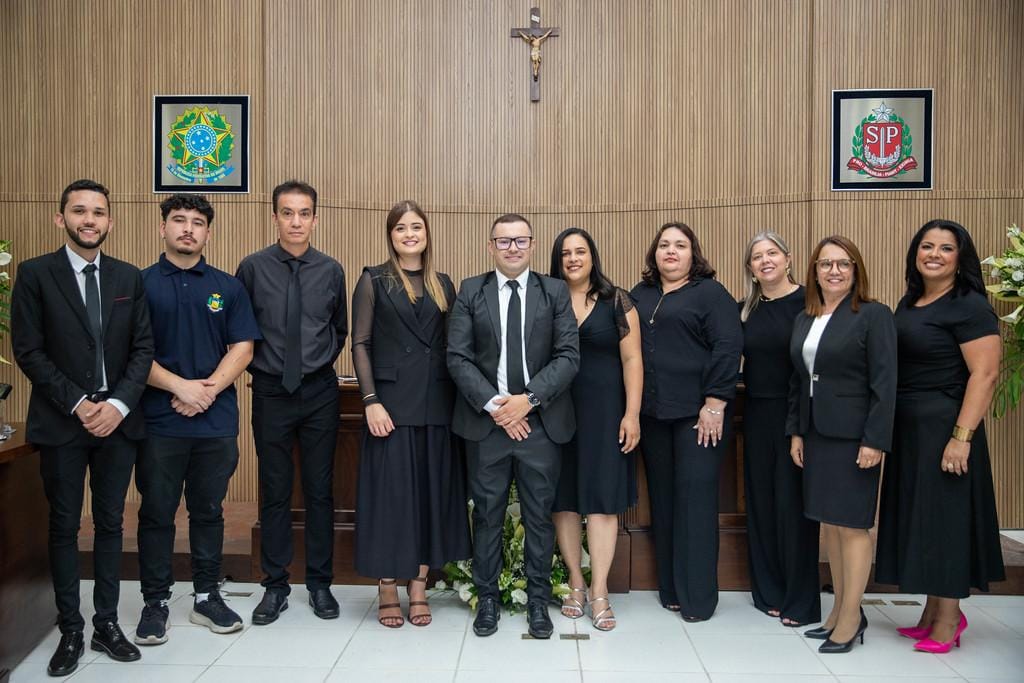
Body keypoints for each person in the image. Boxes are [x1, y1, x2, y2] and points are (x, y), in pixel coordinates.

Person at [11, 179, 153, 675]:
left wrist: (117, 404)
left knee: (111, 524)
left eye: (97, 212)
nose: (89, 220)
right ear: (61, 218)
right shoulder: (35, 274)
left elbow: (143, 349)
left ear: (110, 221)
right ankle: (70, 628)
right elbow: (28, 350)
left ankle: (106, 624)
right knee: (64, 525)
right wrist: (78, 403)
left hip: (118, 424)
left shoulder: (128, 277)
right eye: (79, 211)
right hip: (61, 423)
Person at [133, 194, 261, 645]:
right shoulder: (140, 284)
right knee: (157, 512)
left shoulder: (228, 287)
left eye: (197, 222)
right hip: (159, 421)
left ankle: (207, 596)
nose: (188, 228)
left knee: (208, 511)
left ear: (208, 232)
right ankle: (155, 602)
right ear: (163, 227)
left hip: (214, 421)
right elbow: (131, 352)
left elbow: (243, 347)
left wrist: (205, 391)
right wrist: (180, 388)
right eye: (179, 220)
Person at [447, 213, 579, 639]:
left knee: (539, 517)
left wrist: (527, 401)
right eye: (503, 241)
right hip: (487, 425)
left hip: (540, 424)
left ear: (533, 245)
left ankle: (538, 601)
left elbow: (568, 356)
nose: (512, 248)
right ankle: (486, 599)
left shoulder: (554, 291)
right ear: (491, 247)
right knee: (488, 515)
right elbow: (458, 357)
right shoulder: (471, 290)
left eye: (520, 240)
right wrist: (497, 407)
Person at [875, 219, 1004, 653]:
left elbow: (985, 374)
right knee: (925, 519)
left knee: (946, 522)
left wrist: (961, 437)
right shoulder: (911, 302)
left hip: (945, 427)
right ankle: (931, 614)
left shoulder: (969, 305)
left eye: (946, 248)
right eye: (926, 246)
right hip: (910, 431)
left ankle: (949, 621)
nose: (934, 254)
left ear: (960, 257)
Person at [352, 200, 471, 628]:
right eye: (401, 228)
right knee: (392, 501)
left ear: (426, 233)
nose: (409, 234)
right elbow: (360, 343)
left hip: (437, 405)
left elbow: (454, 345)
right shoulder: (373, 279)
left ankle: (418, 586)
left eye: (416, 227)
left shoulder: (444, 283)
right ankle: (387, 586)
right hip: (390, 407)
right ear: (391, 235)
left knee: (429, 499)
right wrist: (370, 400)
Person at [235, 180, 348, 625]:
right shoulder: (252, 268)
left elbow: (339, 329)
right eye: (287, 213)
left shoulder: (331, 270)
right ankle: (275, 585)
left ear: (315, 219)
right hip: (270, 390)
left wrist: (316, 364)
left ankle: (320, 584)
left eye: (304, 213)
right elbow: (240, 329)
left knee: (320, 490)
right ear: (275, 217)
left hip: (319, 391)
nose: (296, 221)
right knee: (275, 489)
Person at [787, 235, 896, 654]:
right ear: (814, 271)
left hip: (854, 437)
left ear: (856, 270)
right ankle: (836, 612)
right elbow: (799, 380)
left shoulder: (873, 315)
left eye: (843, 263)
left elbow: (885, 384)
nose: (834, 271)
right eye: (826, 264)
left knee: (852, 526)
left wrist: (874, 440)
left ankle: (852, 617)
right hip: (816, 434)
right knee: (829, 524)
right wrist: (797, 431)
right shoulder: (807, 317)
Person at [630, 222, 743, 622]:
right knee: (664, 502)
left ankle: (698, 599)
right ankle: (672, 590)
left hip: (699, 417)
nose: (671, 251)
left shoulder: (710, 293)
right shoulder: (640, 294)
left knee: (695, 504)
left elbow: (728, 346)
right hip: (653, 415)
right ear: (654, 253)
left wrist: (715, 403)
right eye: (664, 245)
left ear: (693, 254)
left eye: (680, 245)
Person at [548, 227, 641, 631]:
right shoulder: (547, 299)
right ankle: (576, 581)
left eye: (580, 251)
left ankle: (600, 588)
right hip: (557, 414)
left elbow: (633, 360)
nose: (573, 259)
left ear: (592, 257)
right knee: (564, 501)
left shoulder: (616, 299)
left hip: (607, 415)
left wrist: (632, 414)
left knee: (603, 502)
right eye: (565, 253)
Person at [738, 232, 820, 627]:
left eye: (772, 253)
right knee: (762, 504)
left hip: (797, 415)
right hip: (755, 413)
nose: (765, 260)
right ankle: (768, 591)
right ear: (751, 269)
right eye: (757, 257)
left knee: (794, 508)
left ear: (788, 259)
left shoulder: (810, 304)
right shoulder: (744, 311)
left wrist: (799, 427)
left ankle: (800, 600)